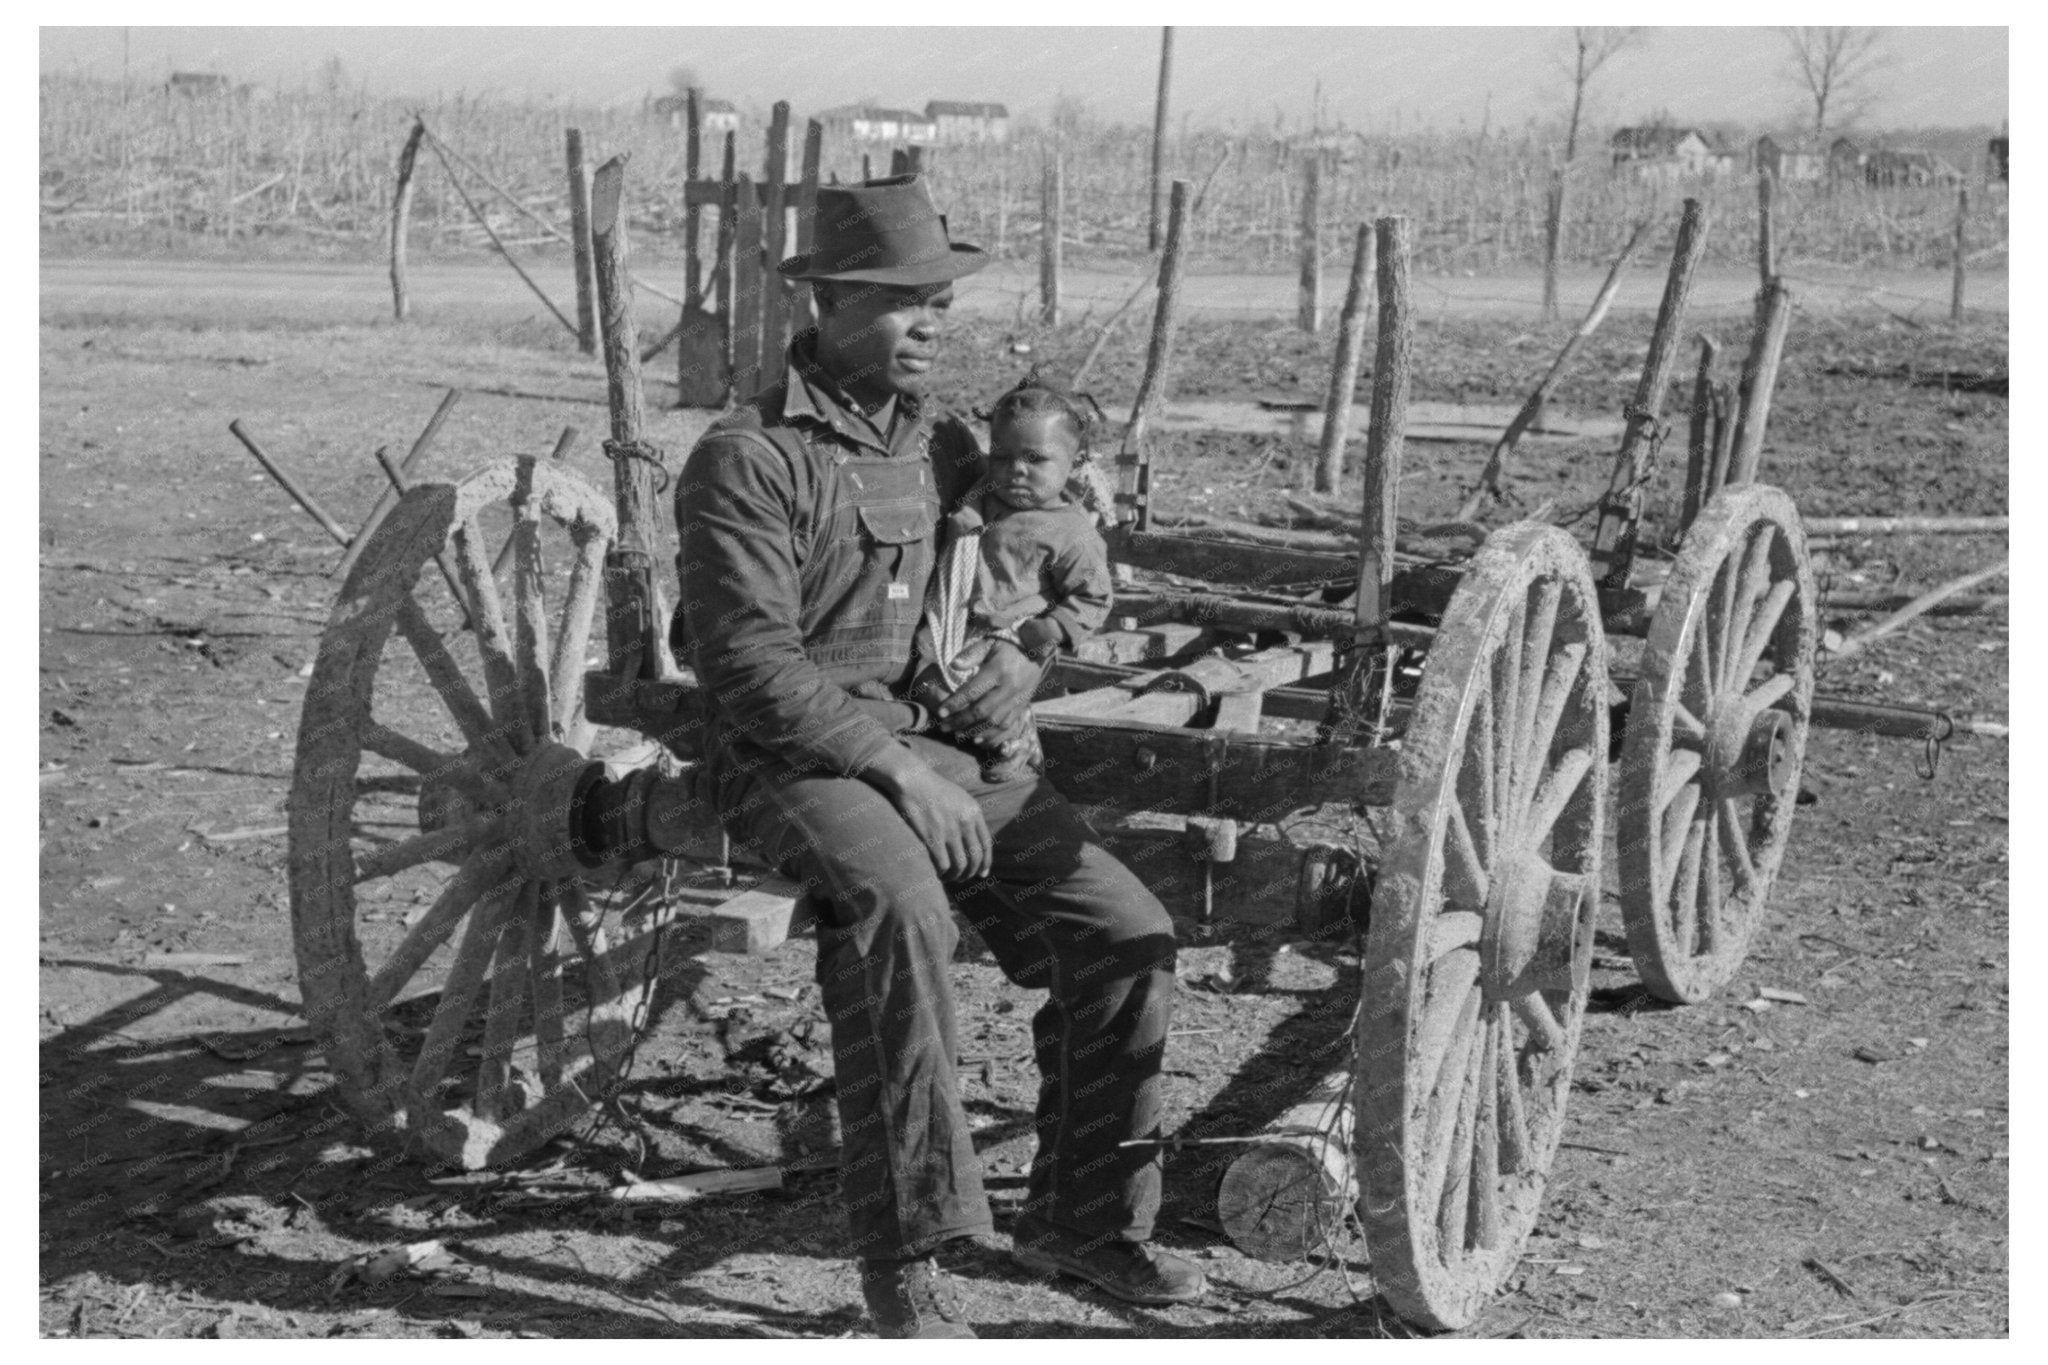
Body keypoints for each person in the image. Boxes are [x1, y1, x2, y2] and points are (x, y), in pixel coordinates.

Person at [670, 175, 1202, 1339]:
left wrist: (1032, 653)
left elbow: (1050, 549)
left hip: (925, 738)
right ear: (827, 303)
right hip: (782, 755)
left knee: (1122, 932)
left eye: (940, 302)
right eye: (905, 302)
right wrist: (898, 772)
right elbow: (748, 665)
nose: (930, 324)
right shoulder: (746, 460)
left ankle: (1083, 1220)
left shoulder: (942, 445)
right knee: (900, 909)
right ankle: (904, 1264)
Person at [904, 373, 1115, 783]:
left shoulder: (1071, 532)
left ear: (1076, 461)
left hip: (1005, 635)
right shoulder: (983, 494)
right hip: (953, 622)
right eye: (1001, 456)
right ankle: (983, 739)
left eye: (1035, 459)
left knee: (977, 696)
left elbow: (1094, 598)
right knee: (928, 687)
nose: (1015, 470)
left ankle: (1012, 741)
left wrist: (1049, 630)